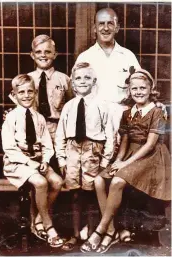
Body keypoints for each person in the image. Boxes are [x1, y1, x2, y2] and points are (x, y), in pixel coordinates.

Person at [80, 68, 171, 253]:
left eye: (143, 88)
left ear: (150, 88)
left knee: (118, 181)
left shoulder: (157, 112)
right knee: (99, 180)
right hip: (130, 154)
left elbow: (150, 145)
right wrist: (118, 161)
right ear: (129, 91)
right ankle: (112, 230)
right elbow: (125, 141)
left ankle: (100, 230)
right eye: (134, 88)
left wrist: (124, 164)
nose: (138, 92)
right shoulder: (127, 113)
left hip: (152, 157)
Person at [7, 34, 73, 235]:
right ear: (32, 55)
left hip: (57, 131)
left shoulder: (64, 79)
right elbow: (20, 111)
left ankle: (43, 219)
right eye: (38, 52)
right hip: (33, 136)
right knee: (36, 180)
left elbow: (71, 106)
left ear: (55, 54)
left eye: (47, 51)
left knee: (55, 178)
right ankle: (34, 223)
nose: (43, 55)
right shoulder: (27, 81)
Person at [54, 62, 116, 250]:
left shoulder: (102, 106)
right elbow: (60, 134)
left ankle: (90, 234)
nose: (82, 81)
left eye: (87, 78)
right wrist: (61, 159)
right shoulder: (68, 106)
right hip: (72, 151)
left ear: (94, 81)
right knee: (75, 195)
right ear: (72, 83)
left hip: (92, 151)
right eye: (78, 78)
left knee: (90, 194)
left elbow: (110, 135)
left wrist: (105, 160)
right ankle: (74, 235)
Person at [2, 74, 64, 248]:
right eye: (21, 92)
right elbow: (9, 149)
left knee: (57, 182)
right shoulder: (11, 118)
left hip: (37, 160)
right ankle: (48, 226)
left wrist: (44, 160)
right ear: (14, 95)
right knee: (41, 182)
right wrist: (31, 164)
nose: (26, 95)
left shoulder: (39, 118)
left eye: (30, 91)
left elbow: (47, 144)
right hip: (17, 163)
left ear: (36, 93)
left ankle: (37, 219)